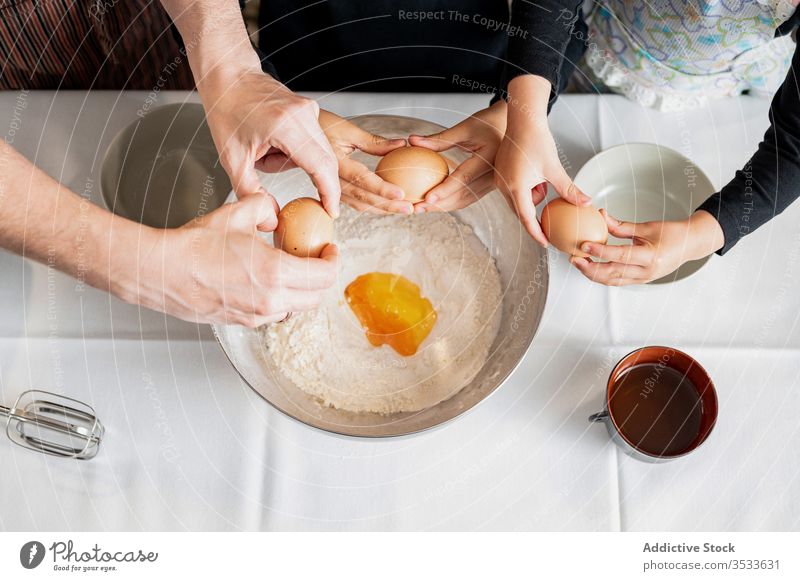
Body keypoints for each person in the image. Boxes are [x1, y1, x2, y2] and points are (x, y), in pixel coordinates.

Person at [554, 1, 800, 285]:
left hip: (715, 90)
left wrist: (697, 236)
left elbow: (793, 149)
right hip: (605, 51)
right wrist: (531, 97)